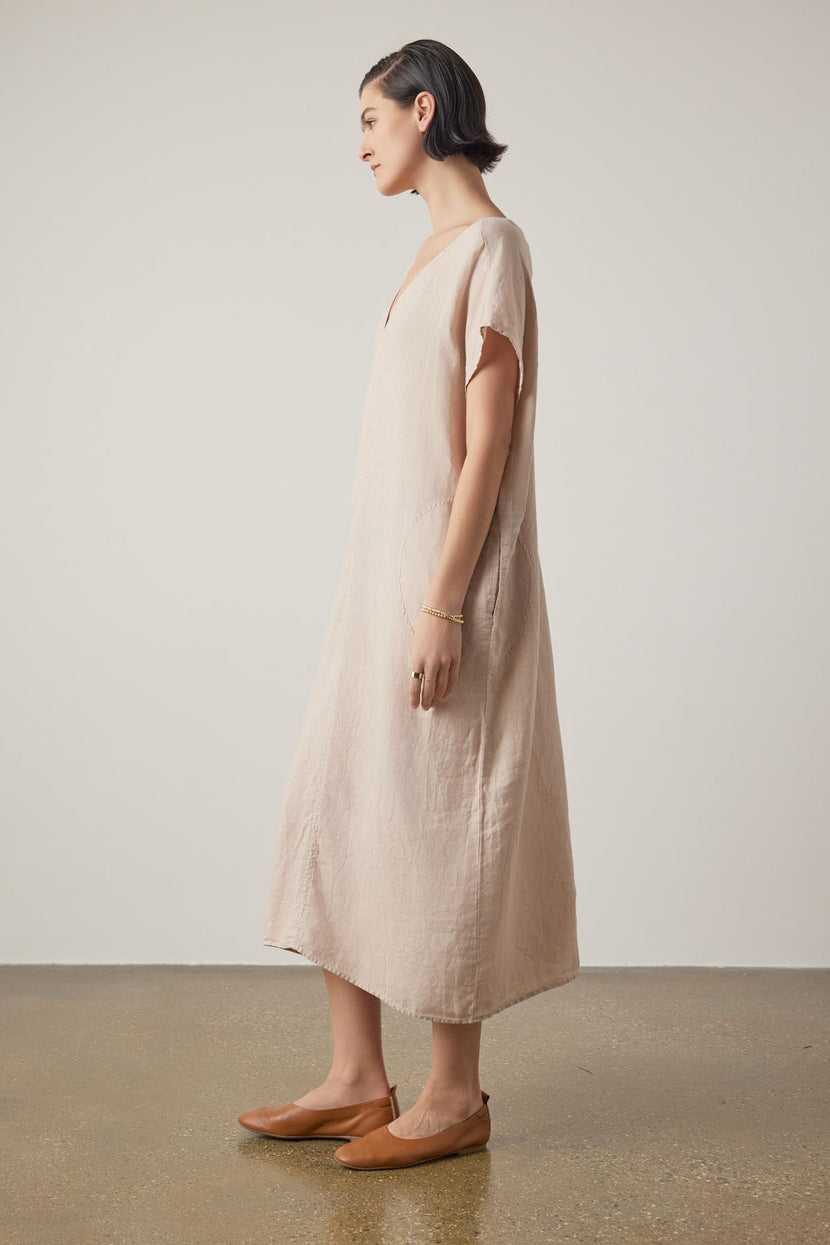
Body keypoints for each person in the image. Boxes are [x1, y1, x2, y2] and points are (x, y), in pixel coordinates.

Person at [238, 38, 579, 1170]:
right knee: (335, 806)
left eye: (372, 122)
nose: (362, 145)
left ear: (424, 111)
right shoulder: (432, 254)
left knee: (443, 827)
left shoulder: (491, 247)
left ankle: (454, 1096)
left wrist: (441, 607)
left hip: (449, 593)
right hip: (375, 591)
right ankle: (353, 1077)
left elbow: (484, 450)